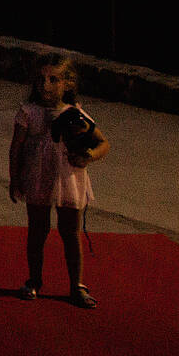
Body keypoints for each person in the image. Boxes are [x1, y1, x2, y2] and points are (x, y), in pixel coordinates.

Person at [9, 56, 109, 308]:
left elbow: (103, 143)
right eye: (42, 79)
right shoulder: (28, 112)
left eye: (54, 80)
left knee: (70, 232)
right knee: (38, 230)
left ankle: (77, 285)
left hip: (68, 177)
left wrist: (87, 156)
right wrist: (14, 178)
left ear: (67, 83)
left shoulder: (75, 113)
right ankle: (34, 280)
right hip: (38, 175)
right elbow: (16, 148)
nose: (46, 85)